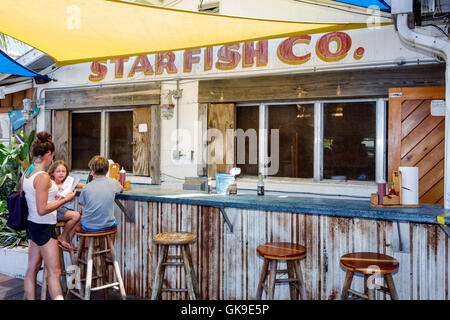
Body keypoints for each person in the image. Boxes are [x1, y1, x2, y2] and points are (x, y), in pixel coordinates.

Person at [23, 132, 76, 300]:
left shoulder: (29, 171)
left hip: (32, 224)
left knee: (32, 268)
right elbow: (42, 209)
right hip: (44, 225)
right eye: (52, 155)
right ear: (48, 154)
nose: (53, 158)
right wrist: (65, 199)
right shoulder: (43, 177)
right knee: (55, 271)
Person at [78, 155, 123, 233]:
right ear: (107, 169)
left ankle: (88, 245)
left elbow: (84, 205)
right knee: (114, 222)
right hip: (107, 224)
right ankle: (109, 245)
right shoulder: (114, 183)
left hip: (88, 226)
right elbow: (121, 189)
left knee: (83, 221)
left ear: (92, 171)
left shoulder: (86, 188)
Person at [48, 160, 85, 250]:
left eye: (63, 171)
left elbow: (80, 185)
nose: (61, 174)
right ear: (52, 173)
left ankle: (68, 240)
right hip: (52, 210)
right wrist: (57, 187)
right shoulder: (50, 182)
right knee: (76, 216)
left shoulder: (67, 182)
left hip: (60, 208)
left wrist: (92, 185)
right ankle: (62, 237)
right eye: (58, 171)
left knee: (80, 218)